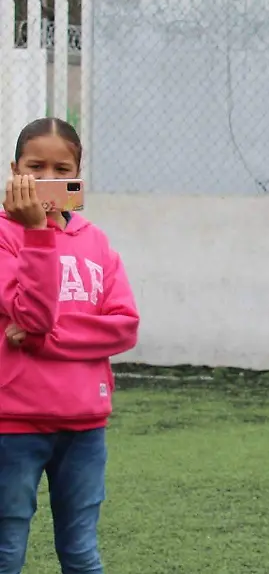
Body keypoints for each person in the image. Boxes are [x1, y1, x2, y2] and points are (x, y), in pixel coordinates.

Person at [0, 118, 141, 574]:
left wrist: (46, 338)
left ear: (78, 174)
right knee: (7, 549)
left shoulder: (95, 242)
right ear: (13, 169)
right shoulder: (4, 236)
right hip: (13, 423)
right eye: (34, 167)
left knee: (81, 552)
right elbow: (32, 312)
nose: (46, 179)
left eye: (61, 168)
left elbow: (123, 327)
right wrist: (37, 233)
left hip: (84, 425)